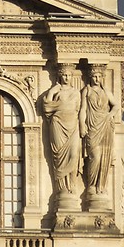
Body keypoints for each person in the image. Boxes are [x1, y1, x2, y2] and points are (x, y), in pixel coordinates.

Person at [37, 67, 83, 206]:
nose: (67, 77)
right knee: (59, 159)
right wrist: (52, 91)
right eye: (64, 75)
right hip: (57, 124)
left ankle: (72, 188)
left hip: (73, 127)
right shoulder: (56, 91)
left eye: (69, 75)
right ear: (60, 76)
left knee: (74, 156)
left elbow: (79, 110)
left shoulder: (77, 93)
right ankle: (62, 189)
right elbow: (47, 106)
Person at [78, 60, 119, 206]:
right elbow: (82, 109)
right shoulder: (86, 91)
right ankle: (91, 186)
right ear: (90, 77)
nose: (96, 79)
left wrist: (109, 115)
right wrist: (82, 125)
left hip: (104, 125)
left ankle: (100, 187)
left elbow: (115, 106)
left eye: (98, 76)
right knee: (94, 156)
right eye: (94, 76)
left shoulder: (106, 92)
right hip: (91, 126)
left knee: (103, 158)